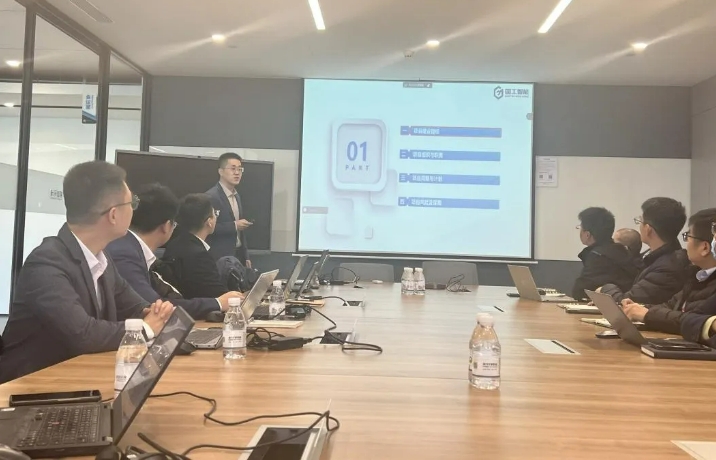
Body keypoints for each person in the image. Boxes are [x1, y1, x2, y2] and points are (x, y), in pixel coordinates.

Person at [0, 161, 173, 383]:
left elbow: (136, 307)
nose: (134, 209)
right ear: (113, 215)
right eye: (132, 203)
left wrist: (154, 313)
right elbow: (83, 334)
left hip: (78, 379)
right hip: (27, 386)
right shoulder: (46, 263)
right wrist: (146, 328)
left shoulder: (101, 258)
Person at [106, 184, 243, 320]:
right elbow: (155, 306)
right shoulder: (125, 254)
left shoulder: (131, 248)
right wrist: (218, 303)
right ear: (166, 226)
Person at [623, 209, 716, 335]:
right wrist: (638, 308)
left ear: (705, 248)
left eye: (688, 237)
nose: (686, 243)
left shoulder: (672, 265)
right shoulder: (697, 275)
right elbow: (671, 306)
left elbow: (693, 320)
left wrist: (647, 315)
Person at [600, 198, 689, 305]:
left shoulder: (667, 268)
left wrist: (605, 289)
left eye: (640, 221)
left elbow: (628, 302)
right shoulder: (657, 259)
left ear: (648, 229)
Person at [162, 193, 232, 299]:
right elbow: (218, 295)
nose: (216, 217)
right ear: (209, 222)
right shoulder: (199, 256)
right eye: (215, 214)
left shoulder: (174, 244)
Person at [571, 207, 640, 300]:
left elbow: (580, 292)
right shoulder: (621, 251)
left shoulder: (598, 256)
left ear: (587, 234)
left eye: (580, 228)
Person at [205, 152, 252, 267]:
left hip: (237, 256)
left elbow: (241, 233)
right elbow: (206, 228)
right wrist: (234, 225)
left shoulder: (237, 196)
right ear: (221, 171)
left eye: (240, 169)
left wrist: (246, 256)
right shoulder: (211, 196)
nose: (237, 173)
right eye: (233, 169)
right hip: (219, 258)